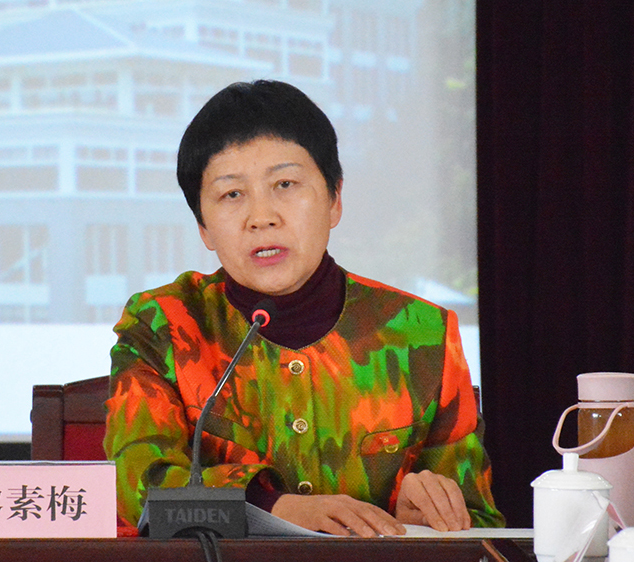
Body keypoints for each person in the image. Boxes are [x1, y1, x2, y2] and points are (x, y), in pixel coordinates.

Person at [103, 79, 504, 536]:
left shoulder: (422, 333)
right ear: (204, 228)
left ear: (334, 200)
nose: (262, 217)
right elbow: (136, 485)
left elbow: (482, 527)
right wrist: (272, 507)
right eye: (232, 194)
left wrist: (426, 518)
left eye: (285, 184)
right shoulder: (164, 325)